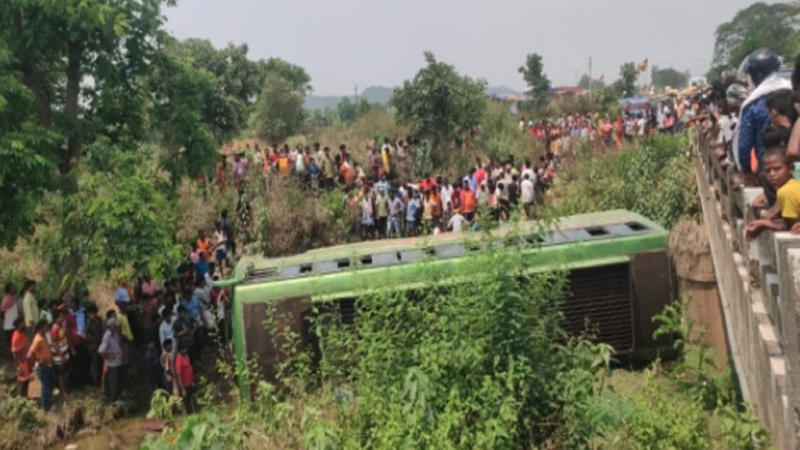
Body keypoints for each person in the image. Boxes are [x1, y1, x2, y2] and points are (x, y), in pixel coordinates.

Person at [735, 48, 790, 176]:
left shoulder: (752, 103)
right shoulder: (792, 92)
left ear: (757, 75)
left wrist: (747, 172)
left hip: (769, 174)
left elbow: (744, 147)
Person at [745, 146, 800, 239]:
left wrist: (762, 223)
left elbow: (789, 225)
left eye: (777, 169)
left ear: (791, 169)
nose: (772, 174)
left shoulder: (786, 191)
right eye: (768, 170)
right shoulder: (791, 185)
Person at [27, 320, 56, 411]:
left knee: (52, 382)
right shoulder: (38, 339)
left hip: (48, 365)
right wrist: (39, 361)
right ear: (41, 328)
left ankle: (48, 401)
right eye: (45, 327)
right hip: (42, 367)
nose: (47, 329)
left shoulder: (44, 337)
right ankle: (46, 407)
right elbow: (29, 354)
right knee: (46, 386)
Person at [98, 317, 123, 402]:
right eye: (114, 326)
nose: (116, 327)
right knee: (113, 382)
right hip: (112, 363)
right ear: (110, 327)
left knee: (119, 381)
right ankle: (113, 399)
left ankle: (117, 396)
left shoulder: (116, 333)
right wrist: (108, 357)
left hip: (118, 361)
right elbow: (101, 351)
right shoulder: (107, 336)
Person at [50, 307, 72, 395]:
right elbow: (54, 344)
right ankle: (63, 391)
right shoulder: (54, 329)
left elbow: (66, 337)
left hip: (65, 353)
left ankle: (66, 389)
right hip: (59, 356)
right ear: (56, 319)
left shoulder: (62, 326)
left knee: (66, 372)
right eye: (60, 317)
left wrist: (71, 348)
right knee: (61, 374)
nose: (62, 318)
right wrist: (61, 355)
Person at [11, 318, 32, 396]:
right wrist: (17, 367)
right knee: (23, 381)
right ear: (19, 325)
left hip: (25, 361)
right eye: (23, 322)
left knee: (26, 380)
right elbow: (14, 354)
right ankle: (21, 398)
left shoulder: (22, 333)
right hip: (21, 363)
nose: (24, 323)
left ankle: (25, 397)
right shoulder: (16, 338)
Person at [84, 304, 103, 388]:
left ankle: (100, 382)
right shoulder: (88, 322)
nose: (90, 315)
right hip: (93, 347)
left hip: (100, 345)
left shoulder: (99, 320)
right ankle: (96, 383)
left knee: (100, 364)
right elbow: (85, 335)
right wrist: (91, 338)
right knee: (95, 365)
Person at [175, 343, 195, 412]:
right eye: (184, 349)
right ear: (180, 350)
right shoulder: (179, 359)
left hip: (189, 382)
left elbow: (189, 367)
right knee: (187, 401)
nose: (185, 350)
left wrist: (192, 381)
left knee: (191, 398)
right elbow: (178, 374)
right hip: (184, 383)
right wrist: (182, 388)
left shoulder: (186, 356)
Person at [2, 282, 20, 347]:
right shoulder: (6, 300)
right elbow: (2, 312)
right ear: (10, 289)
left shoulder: (14, 299)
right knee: (12, 346)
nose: (15, 288)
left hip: (16, 326)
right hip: (9, 327)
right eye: (13, 287)